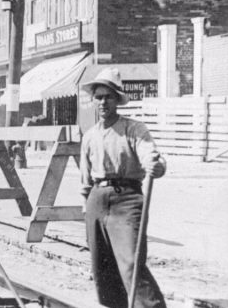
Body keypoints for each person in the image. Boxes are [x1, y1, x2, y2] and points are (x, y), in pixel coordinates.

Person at [79, 68, 166, 308]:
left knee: (131, 261)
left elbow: (150, 154)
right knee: (102, 267)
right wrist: (86, 207)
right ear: (93, 101)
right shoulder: (89, 136)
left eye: (109, 96)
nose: (103, 101)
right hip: (96, 200)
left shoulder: (134, 128)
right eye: (99, 97)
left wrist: (156, 166)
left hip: (127, 200)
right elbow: (85, 180)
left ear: (117, 100)